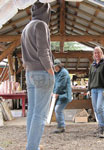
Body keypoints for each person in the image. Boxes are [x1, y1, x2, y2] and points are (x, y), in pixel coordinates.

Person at [21, 1, 55, 150]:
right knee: (40, 115)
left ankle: (31, 145)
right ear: (45, 12)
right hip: (42, 72)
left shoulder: (26, 27)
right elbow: (43, 51)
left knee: (33, 113)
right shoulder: (41, 25)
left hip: (30, 74)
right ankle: (32, 147)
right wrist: (51, 70)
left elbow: (23, 55)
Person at [88, 46, 104, 138]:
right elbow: (90, 78)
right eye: (95, 53)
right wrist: (88, 89)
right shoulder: (92, 65)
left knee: (99, 108)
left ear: (102, 54)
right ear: (93, 55)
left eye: (98, 52)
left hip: (102, 89)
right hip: (93, 90)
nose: (97, 54)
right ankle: (99, 126)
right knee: (95, 108)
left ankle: (102, 128)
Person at [53, 59, 72, 133]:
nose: (55, 68)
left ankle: (61, 126)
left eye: (56, 67)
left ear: (59, 66)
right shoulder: (56, 73)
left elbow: (60, 85)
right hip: (59, 95)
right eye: (54, 67)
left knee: (58, 110)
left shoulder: (63, 72)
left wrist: (55, 92)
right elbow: (54, 83)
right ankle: (60, 126)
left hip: (64, 95)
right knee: (58, 110)